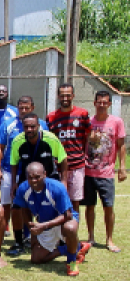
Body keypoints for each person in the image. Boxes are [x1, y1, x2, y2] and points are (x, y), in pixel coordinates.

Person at [13, 162, 91, 276]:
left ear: (45, 174)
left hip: (64, 220)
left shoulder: (57, 187)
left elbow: (68, 215)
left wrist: (43, 226)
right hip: (44, 223)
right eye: (30, 177)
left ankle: (71, 262)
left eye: (37, 177)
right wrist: (31, 226)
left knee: (70, 228)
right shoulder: (23, 189)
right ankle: (75, 247)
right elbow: (24, 209)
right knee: (36, 259)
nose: (34, 180)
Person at [8, 113, 68, 255]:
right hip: (27, 179)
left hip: (49, 178)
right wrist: (13, 184)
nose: (29, 129)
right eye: (26, 127)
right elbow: (14, 163)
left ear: (38, 126)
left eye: (32, 126)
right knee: (16, 208)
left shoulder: (50, 139)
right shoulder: (17, 141)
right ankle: (19, 242)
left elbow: (63, 159)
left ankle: (63, 240)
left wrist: (64, 181)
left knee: (58, 210)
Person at [0, 96, 48, 236]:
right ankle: (3, 232)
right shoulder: (7, 124)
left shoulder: (41, 125)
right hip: (9, 170)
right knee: (7, 204)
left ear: (33, 108)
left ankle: (29, 233)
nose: (23, 111)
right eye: (21, 108)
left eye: (27, 108)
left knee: (30, 203)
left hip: (32, 173)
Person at [83, 91, 127, 252]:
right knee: (89, 206)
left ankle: (109, 239)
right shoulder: (88, 122)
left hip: (107, 173)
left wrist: (121, 167)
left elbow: (121, 145)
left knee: (108, 206)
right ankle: (91, 236)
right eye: (99, 102)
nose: (102, 105)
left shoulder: (116, 122)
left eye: (105, 102)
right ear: (94, 103)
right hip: (88, 171)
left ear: (109, 104)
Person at [46, 83, 92, 212]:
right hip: (58, 166)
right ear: (58, 96)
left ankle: (73, 230)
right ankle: (59, 231)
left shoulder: (82, 114)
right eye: (62, 95)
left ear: (73, 95)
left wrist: (87, 155)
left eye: (68, 95)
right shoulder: (51, 117)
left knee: (75, 202)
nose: (65, 98)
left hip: (77, 165)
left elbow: (89, 136)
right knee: (56, 201)